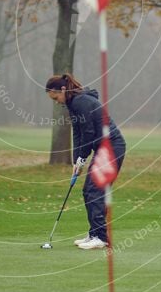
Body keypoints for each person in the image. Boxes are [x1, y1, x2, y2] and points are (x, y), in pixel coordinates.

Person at [45, 72, 126, 250]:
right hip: (104, 149)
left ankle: (100, 238)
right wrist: (77, 160)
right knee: (88, 190)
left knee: (94, 190)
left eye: (56, 96)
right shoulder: (73, 104)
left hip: (112, 147)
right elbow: (78, 133)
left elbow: (89, 133)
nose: (57, 101)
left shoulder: (81, 102)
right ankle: (95, 233)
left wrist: (83, 157)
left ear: (64, 89)